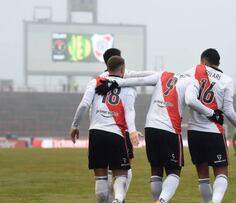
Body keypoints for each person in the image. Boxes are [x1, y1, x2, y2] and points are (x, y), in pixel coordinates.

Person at [99, 70, 224, 203]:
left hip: (151, 127)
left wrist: (113, 82)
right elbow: (191, 100)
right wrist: (212, 113)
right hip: (169, 128)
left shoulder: (164, 74)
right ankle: (162, 201)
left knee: (156, 169)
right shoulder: (192, 81)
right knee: (174, 172)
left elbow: (140, 80)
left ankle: (156, 200)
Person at [184, 48, 236, 203]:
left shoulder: (194, 71)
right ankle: (216, 201)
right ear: (218, 62)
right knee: (221, 173)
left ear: (204, 61)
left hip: (194, 131)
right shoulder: (226, 80)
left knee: (203, 176)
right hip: (213, 131)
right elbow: (228, 110)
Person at [69, 56, 141, 203]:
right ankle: (118, 199)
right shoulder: (128, 87)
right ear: (122, 69)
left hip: (96, 133)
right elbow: (129, 111)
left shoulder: (94, 82)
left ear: (107, 68)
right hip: (116, 134)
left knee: (101, 177)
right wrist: (132, 130)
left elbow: (84, 105)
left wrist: (75, 126)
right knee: (121, 175)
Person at [101, 48, 155, 202]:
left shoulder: (98, 80)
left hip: (101, 129)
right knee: (125, 168)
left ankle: (111, 198)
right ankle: (120, 198)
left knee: (106, 170)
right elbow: (145, 74)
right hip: (120, 129)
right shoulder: (125, 73)